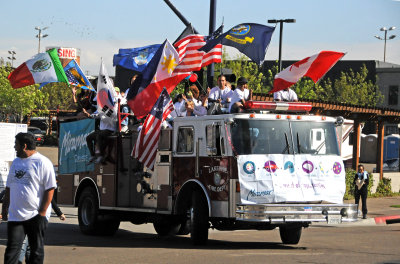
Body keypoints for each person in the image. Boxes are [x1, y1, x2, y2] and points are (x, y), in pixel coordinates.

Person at [0, 132, 56, 264]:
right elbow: (9, 186)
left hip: (35, 215)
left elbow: (50, 189)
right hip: (16, 215)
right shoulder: (15, 162)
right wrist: (5, 208)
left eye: (16, 145)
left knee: (35, 252)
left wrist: (42, 213)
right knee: (12, 251)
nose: (14, 147)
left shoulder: (43, 162)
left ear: (24, 146)